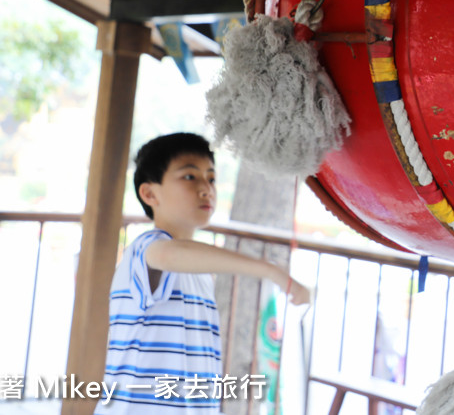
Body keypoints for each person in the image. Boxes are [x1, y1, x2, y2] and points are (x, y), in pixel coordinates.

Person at [96, 132, 309, 412]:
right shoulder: (145, 249)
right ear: (149, 193)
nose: (206, 188)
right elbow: (168, 254)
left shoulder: (198, 272)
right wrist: (272, 271)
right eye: (189, 177)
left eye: (211, 178)